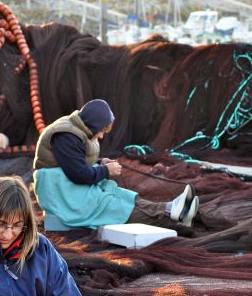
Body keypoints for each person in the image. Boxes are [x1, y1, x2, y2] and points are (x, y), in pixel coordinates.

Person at [33, 99, 199, 230]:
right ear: (93, 124)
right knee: (110, 206)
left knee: (120, 195)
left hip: (67, 184)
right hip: (60, 191)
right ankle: (169, 214)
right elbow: (78, 174)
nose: (101, 136)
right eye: (101, 131)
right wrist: (105, 171)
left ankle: (169, 208)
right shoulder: (66, 136)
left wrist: (100, 163)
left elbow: (71, 161)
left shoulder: (78, 129)